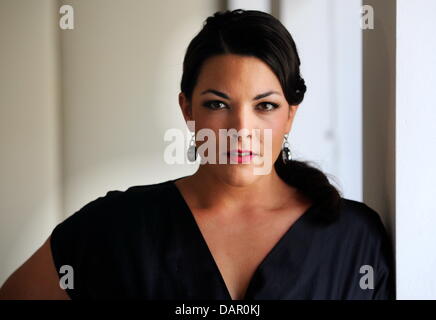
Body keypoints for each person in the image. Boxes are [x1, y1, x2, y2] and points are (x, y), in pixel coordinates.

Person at [0, 9, 395, 300]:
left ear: (291, 114)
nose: (241, 130)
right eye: (218, 104)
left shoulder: (353, 239)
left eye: (265, 106)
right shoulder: (117, 227)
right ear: (187, 108)